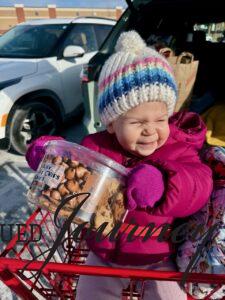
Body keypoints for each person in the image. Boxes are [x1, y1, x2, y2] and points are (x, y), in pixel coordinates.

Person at [26, 31, 213, 300]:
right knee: (89, 295)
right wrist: (47, 153)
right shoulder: (98, 147)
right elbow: (70, 163)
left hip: (158, 256)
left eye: (161, 120)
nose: (151, 131)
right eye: (137, 123)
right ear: (111, 123)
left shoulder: (177, 149)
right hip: (102, 256)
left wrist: (164, 181)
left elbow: (199, 184)